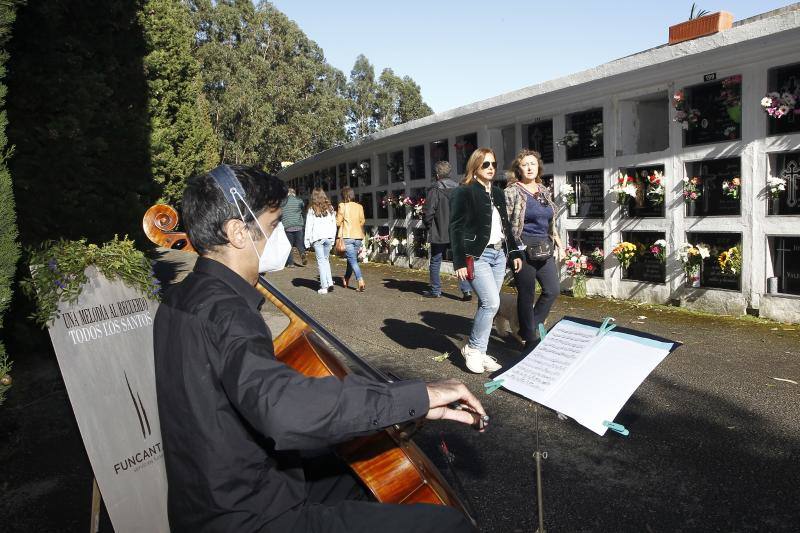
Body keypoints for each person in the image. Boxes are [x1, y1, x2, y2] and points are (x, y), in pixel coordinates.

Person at [154, 164, 482, 532]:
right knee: (447, 526)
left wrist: (393, 400)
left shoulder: (181, 298)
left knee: (364, 475)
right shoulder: (227, 313)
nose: (281, 235)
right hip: (254, 517)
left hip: (214, 496)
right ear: (236, 232)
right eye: (274, 223)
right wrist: (417, 395)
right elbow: (286, 409)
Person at [450, 149, 523, 374]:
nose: (491, 168)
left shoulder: (499, 193)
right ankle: (472, 349)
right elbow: (456, 227)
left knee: (489, 305)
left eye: (494, 163)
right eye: (485, 164)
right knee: (491, 303)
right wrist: (459, 261)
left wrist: (514, 254)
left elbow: (506, 228)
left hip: (499, 255)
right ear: (475, 167)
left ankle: (480, 351)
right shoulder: (465, 192)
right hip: (477, 256)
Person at [504, 149, 564, 352]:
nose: (530, 167)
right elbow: (506, 224)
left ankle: (527, 328)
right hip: (523, 247)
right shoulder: (512, 191)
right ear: (518, 169)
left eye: (533, 163)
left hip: (544, 246)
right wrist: (513, 251)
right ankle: (530, 338)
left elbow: (550, 221)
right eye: (525, 164)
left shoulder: (543, 190)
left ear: (538, 167)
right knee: (527, 294)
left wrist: (559, 244)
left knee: (552, 290)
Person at [422, 160, 473, 301]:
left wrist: (429, 226)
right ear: (449, 173)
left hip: (439, 231)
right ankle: (466, 290)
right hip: (458, 231)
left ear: (437, 174)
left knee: (436, 260)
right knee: (459, 259)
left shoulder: (435, 189)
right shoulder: (459, 188)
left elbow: (428, 212)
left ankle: (435, 290)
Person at [304, 187, 337, 294]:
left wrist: (307, 241)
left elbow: (309, 226)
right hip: (328, 238)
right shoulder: (330, 208)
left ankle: (324, 286)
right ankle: (329, 282)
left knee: (321, 262)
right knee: (326, 260)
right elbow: (333, 225)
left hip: (317, 238)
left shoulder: (312, 209)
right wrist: (333, 239)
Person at [336, 186, 366, 291]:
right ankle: (346, 278)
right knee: (351, 259)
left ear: (343, 196)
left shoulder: (342, 206)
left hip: (347, 236)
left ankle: (360, 280)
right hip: (358, 237)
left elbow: (338, 222)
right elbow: (362, 221)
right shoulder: (359, 206)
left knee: (352, 260)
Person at [282, 187, 307, 267]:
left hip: (287, 226)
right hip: (298, 226)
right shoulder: (299, 201)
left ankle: (290, 263)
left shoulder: (283, 202)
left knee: (288, 246)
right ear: (294, 193)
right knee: (299, 244)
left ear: (287, 194)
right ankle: (302, 253)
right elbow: (303, 209)